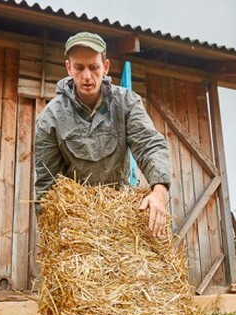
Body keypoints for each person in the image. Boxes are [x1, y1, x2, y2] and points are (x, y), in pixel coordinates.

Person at [34, 31, 172, 238]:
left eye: (94, 67)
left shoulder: (126, 102)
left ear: (105, 67)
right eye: (79, 68)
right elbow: (47, 182)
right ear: (68, 68)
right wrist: (51, 233)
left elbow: (149, 144)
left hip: (120, 209)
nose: (87, 76)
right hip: (76, 217)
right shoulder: (50, 118)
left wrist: (159, 191)